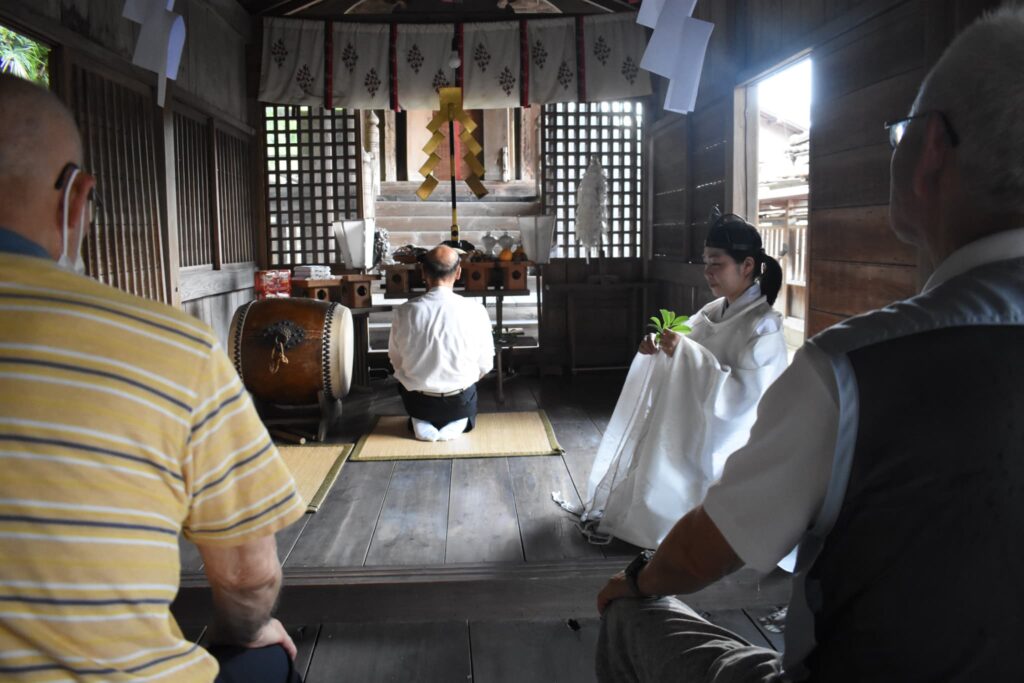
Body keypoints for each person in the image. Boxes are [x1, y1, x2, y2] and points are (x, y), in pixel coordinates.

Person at [595, 6, 1024, 682]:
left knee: (630, 616)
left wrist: (636, 579)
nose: (710, 273)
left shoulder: (853, 369)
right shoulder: (728, 316)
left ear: (930, 152)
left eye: (900, 132)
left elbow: (715, 543)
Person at [0, 74, 305, 682]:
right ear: (78, 197)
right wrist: (240, 632)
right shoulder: (170, 348)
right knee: (265, 654)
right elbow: (250, 577)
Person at [573, 214, 788, 550]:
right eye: (706, 263)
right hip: (694, 420)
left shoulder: (764, 327)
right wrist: (659, 347)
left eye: (716, 263)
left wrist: (686, 354)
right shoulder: (712, 311)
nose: (708, 272)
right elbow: (686, 347)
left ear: (747, 266)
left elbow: (745, 403)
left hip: (731, 443)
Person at [388, 244, 494, 442]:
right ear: (459, 273)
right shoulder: (475, 310)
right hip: (460, 398)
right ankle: (459, 421)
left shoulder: (404, 311)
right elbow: (485, 364)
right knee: (469, 387)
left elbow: (396, 361)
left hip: (419, 399)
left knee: (405, 380)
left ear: (423, 273)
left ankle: (420, 420)